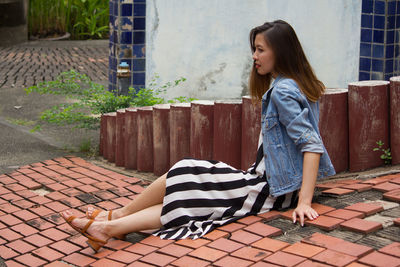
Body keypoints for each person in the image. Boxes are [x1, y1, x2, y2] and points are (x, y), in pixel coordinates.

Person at [61, 19, 335, 252]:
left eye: (260, 50)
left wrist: (305, 201)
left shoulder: (284, 91)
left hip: (271, 190)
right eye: (254, 49)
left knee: (188, 179)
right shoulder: (291, 85)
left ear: (281, 53)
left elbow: (311, 144)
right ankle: (111, 223)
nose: (254, 56)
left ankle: (110, 224)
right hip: (267, 183)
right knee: (187, 179)